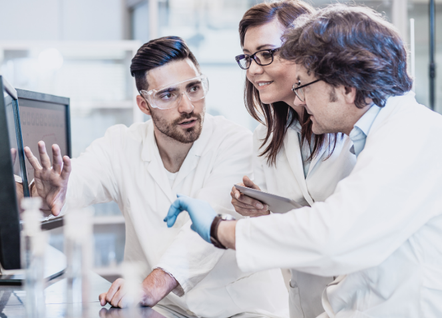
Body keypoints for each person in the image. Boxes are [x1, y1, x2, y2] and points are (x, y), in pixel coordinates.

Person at [166, 4, 442, 317]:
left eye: (305, 86)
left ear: (347, 88)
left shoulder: (413, 134)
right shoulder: (376, 136)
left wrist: (220, 230)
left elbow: (335, 235)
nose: (300, 98)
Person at [24, 36, 289, 318]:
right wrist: (49, 194)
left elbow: (205, 234)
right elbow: (76, 182)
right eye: (168, 95)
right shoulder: (121, 144)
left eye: (194, 88)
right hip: (165, 309)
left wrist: (148, 288)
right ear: (143, 104)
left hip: (240, 310)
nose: (187, 106)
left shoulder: (235, 143)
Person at [231, 1, 355, 317]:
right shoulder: (267, 135)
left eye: (266, 53)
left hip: (358, 301)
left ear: (307, 50)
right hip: (304, 304)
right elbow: (284, 233)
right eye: (248, 57)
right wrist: (259, 214)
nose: (254, 69)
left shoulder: (353, 127)